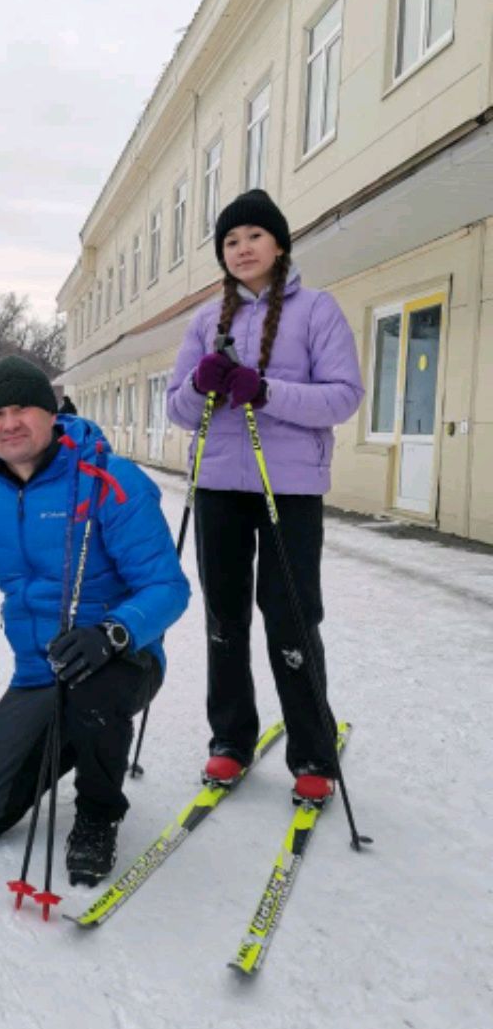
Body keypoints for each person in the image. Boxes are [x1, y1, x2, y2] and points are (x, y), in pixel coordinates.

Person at [0, 356, 190, 885]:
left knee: (94, 696)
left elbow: (168, 587)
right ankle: (81, 735)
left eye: (23, 409)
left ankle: (98, 815)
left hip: (118, 658)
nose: (10, 423)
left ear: (51, 414)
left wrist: (114, 632)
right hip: (41, 670)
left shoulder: (112, 480)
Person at [166, 189, 364, 802]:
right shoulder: (206, 320)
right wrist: (199, 384)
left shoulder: (318, 310)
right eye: (230, 240)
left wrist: (267, 391)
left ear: (279, 244)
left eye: (254, 235)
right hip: (219, 486)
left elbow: (343, 396)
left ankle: (313, 751)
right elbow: (177, 410)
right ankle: (230, 739)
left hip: (290, 489)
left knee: (291, 617)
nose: (242, 248)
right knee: (224, 618)